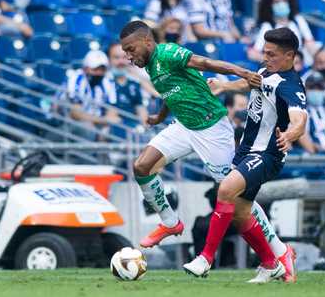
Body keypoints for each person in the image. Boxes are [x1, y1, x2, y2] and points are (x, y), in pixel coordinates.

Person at [119, 21, 296, 282]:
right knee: (141, 167)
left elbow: (203, 63)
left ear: (147, 42)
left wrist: (242, 72)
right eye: (125, 52)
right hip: (184, 126)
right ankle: (170, 222)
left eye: (131, 49)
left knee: (237, 199)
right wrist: (160, 116)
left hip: (212, 129)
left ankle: (280, 251)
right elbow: (172, 91)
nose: (129, 56)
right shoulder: (151, 65)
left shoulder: (167, 53)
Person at [183, 27, 308, 283]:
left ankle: (205, 258)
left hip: (267, 154)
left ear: (289, 56)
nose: (266, 58)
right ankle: (271, 263)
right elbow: (250, 81)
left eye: (272, 54)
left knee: (226, 190)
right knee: (240, 214)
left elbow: (300, 119)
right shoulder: (266, 71)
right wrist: (224, 86)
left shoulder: (291, 86)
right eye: (264, 52)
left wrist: (290, 135)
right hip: (246, 152)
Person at [248, 0, 317, 63]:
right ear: (270, 6)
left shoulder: (298, 20)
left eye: (284, 1)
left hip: (300, 64)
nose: (282, 4)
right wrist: (277, 62)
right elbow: (253, 53)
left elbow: (310, 43)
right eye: (277, 2)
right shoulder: (268, 26)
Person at [64, 50, 119, 141]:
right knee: (87, 128)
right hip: (69, 122)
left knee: (113, 129)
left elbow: (112, 111)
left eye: (102, 69)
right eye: (95, 69)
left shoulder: (107, 80)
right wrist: (103, 120)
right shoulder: (76, 79)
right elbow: (75, 114)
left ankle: (107, 154)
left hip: (96, 120)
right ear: (86, 69)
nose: (99, 73)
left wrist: (106, 121)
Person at [108, 43, 148, 127]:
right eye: (116, 57)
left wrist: (145, 124)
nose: (121, 62)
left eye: (124, 58)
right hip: (109, 128)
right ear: (109, 59)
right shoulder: (104, 81)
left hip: (131, 127)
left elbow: (140, 108)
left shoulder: (133, 82)